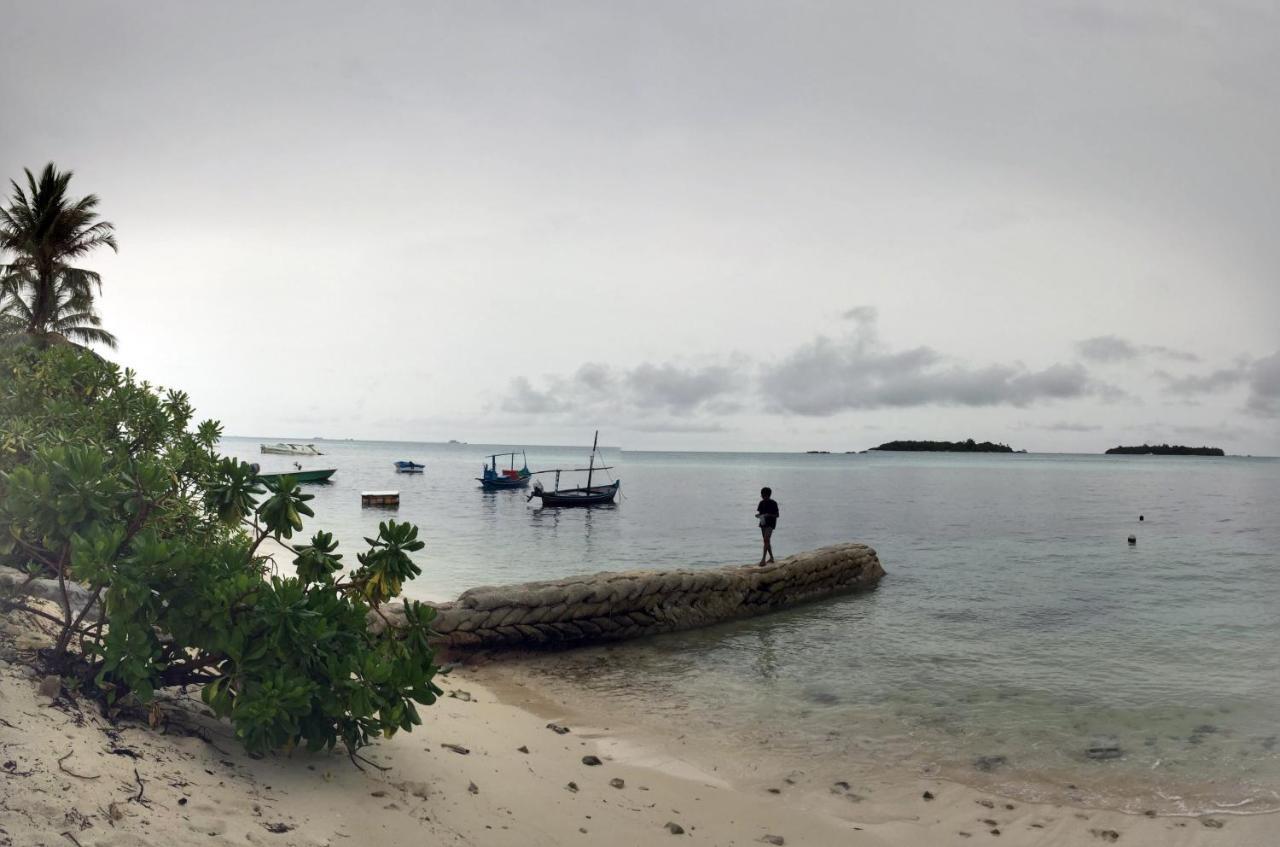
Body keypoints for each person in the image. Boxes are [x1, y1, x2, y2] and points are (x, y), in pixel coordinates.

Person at [756, 486, 779, 565]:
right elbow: (760, 513)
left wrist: (768, 515)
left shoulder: (773, 503)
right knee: (766, 541)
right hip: (763, 523)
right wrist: (758, 515)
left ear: (766, 495)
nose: (761, 496)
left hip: (771, 523)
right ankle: (772, 558)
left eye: (762, 494)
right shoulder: (761, 503)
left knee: (766, 539)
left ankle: (763, 560)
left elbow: (777, 515)